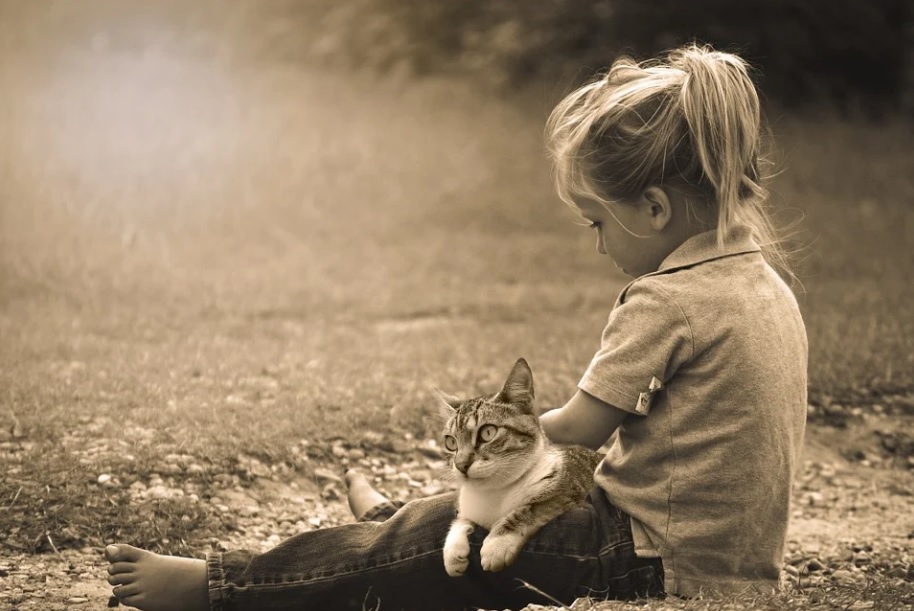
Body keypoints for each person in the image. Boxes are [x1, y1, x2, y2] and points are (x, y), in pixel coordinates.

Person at [103, 43, 807, 610]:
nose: (598, 245)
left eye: (597, 222)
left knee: (442, 535)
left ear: (654, 209)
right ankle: (394, 521)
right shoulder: (763, 284)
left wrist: (495, 434)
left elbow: (577, 430)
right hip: (732, 564)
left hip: (644, 557)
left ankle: (224, 585)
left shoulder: (667, 297)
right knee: (467, 511)